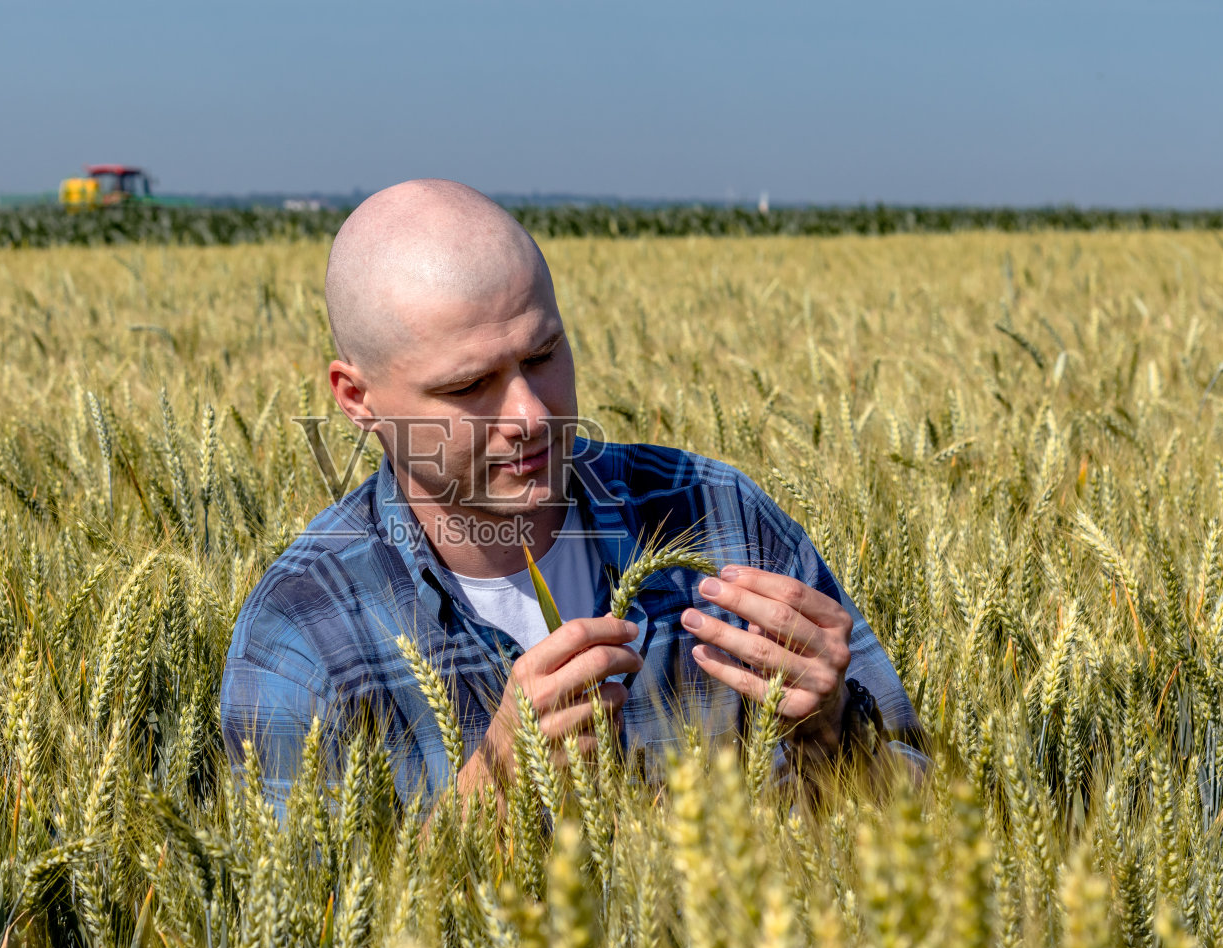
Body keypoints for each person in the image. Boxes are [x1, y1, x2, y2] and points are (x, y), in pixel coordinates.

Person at [221, 179, 924, 808]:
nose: (530, 414)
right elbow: (309, 907)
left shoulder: (720, 517)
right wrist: (485, 800)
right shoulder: (301, 636)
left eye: (543, 355)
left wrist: (837, 733)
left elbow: (939, 811)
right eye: (469, 385)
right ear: (357, 398)